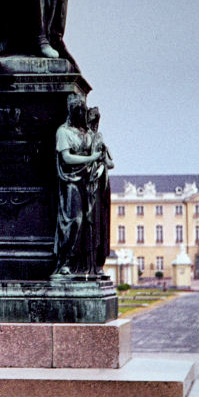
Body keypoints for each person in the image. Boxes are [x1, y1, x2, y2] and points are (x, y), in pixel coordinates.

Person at [53, 94, 100, 276]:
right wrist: (91, 158)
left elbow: (102, 156)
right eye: (77, 110)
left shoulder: (88, 134)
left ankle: (81, 263)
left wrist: (99, 162)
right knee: (74, 221)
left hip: (87, 182)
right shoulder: (63, 132)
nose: (81, 113)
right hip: (70, 180)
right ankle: (64, 261)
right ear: (71, 112)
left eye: (83, 110)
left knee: (88, 221)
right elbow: (66, 157)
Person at [85, 106, 114, 273]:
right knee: (91, 224)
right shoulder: (84, 138)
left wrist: (101, 159)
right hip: (89, 185)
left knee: (98, 225)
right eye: (92, 121)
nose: (94, 125)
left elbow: (111, 163)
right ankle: (90, 263)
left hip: (99, 185)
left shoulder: (99, 139)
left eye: (96, 122)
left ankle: (96, 263)